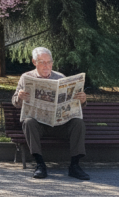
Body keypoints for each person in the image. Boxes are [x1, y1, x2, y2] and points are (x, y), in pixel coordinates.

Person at [12, 46, 89, 180]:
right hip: (40, 126)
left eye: (49, 62)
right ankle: (40, 164)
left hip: (60, 125)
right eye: (42, 62)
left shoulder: (60, 77)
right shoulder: (26, 78)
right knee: (28, 122)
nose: (46, 65)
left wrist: (82, 100)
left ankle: (75, 166)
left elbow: (74, 104)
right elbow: (15, 101)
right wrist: (20, 97)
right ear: (34, 62)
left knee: (78, 123)